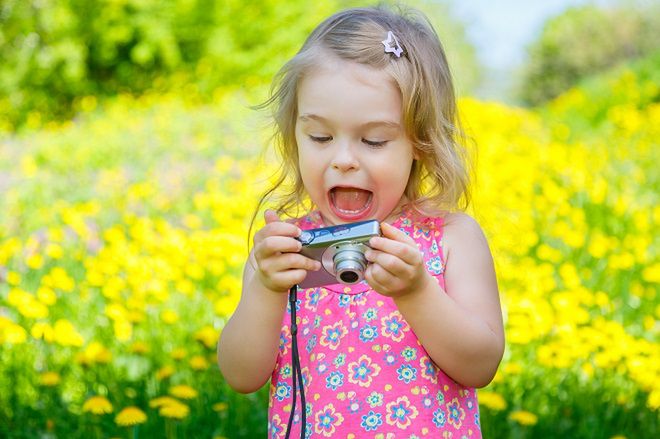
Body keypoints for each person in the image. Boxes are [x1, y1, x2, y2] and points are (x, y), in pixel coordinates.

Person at [217, 5, 504, 437]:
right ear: (293, 136)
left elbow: (480, 364)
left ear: (420, 142)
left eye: (373, 140)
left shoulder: (449, 238)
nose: (344, 160)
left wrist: (417, 292)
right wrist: (265, 288)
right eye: (320, 137)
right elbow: (241, 376)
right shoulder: (287, 251)